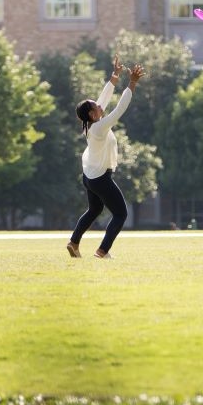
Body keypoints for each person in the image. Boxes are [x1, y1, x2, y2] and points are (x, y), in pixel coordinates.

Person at [66, 57, 145, 259]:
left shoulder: (90, 124)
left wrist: (115, 77)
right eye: (96, 108)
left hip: (89, 176)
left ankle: (74, 243)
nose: (101, 107)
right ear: (92, 115)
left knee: (94, 209)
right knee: (121, 214)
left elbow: (103, 99)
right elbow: (118, 110)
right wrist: (132, 83)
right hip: (100, 178)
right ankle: (102, 251)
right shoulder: (99, 126)